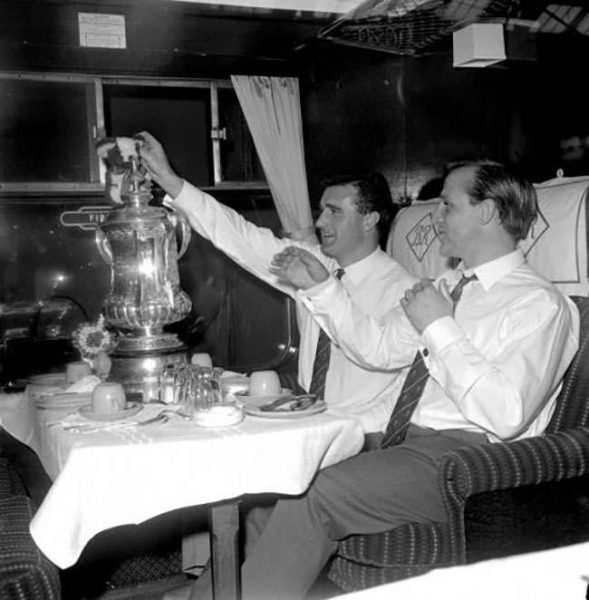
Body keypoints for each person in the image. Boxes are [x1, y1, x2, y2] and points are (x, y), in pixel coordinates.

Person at [186, 159, 579, 600]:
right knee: (273, 493)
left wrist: (440, 327)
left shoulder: (539, 304)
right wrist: (323, 289)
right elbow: (378, 349)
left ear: (487, 211)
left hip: (469, 461)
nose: (435, 216)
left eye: (447, 205)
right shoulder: (445, 286)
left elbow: (506, 415)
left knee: (313, 496)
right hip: (405, 441)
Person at [138, 131, 417, 434]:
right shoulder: (313, 263)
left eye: (334, 212)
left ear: (369, 220)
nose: (320, 222)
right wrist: (169, 179)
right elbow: (240, 236)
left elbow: (401, 387)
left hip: (359, 432)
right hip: (305, 416)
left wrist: (356, 431)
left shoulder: (405, 291)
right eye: (321, 210)